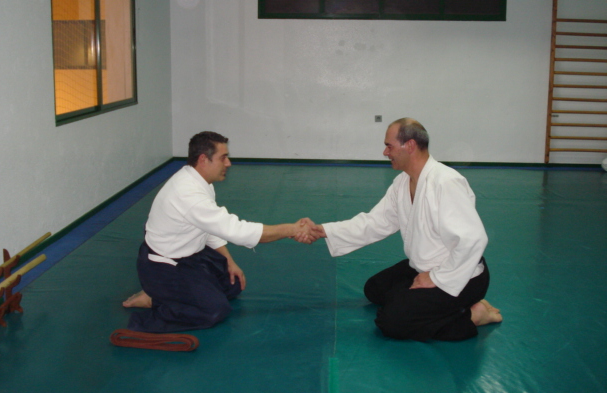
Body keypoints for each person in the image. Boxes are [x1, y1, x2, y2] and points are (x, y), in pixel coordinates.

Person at [306, 118, 502, 341]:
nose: (385, 152)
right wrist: (324, 230)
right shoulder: (402, 183)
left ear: (409, 145)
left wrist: (437, 278)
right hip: (424, 266)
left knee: (392, 322)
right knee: (375, 289)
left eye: (389, 146)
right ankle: (435, 304)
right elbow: (375, 222)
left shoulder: (445, 182)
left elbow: (473, 240)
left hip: (460, 275)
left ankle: (473, 315)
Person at [123, 131, 315, 333]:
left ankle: (167, 295)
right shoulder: (188, 193)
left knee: (233, 284)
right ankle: (155, 302)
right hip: (163, 266)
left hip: (191, 254)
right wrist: (291, 229)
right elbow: (239, 231)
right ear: (203, 159)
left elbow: (209, 227)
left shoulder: (199, 181)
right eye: (223, 158)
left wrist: (229, 261)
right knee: (214, 310)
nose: (228, 163)